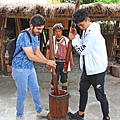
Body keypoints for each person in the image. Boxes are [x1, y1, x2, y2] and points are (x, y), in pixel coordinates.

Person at [11, 14, 56, 120]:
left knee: (35, 89)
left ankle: (39, 110)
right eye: (38, 29)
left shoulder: (36, 35)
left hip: (30, 68)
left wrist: (46, 61)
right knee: (22, 93)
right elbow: (31, 56)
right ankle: (19, 115)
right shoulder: (24, 36)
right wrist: (48, 61)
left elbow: (37, 51)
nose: (40, 31)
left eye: (41, 29)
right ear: (31, 26)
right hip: (20, 68)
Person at [68, 9, 110, 120]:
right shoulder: (86, 31)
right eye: (79, 26)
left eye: (82, 25)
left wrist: (72, 40)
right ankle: (80, 114)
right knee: (82, 90)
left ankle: (106, 117)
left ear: (88, 20)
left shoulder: (94, 34)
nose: (80, 27)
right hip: (88, 69)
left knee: (100, 96)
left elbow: (82, 50)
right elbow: (82, 43)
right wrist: (76, 36)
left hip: (97, 71)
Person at [46, 23, 74, 91]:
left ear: (62, 31)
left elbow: (69, 52)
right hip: (54, 62)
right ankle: (54, 92)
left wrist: (71, 61)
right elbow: (48, 51)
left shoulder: (66, 40)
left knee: (64, 78)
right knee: (54, 77)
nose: (58, 33)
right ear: (54, 32)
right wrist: (47, 62)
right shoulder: (51, 40)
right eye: (56, 31)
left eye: (59, 31)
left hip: (64, 62)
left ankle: (64, 91)